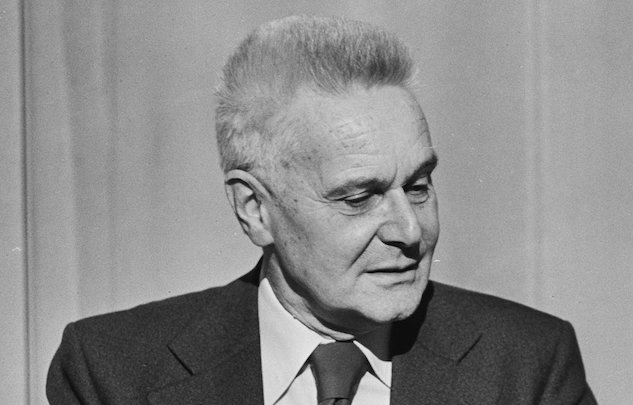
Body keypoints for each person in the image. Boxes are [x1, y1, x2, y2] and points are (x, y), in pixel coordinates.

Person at [47, 15, 596, 404]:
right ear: (254, 209)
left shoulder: (528, 366)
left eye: (419, 186)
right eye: (359, 197)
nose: (410, 230)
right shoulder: (112, 373)